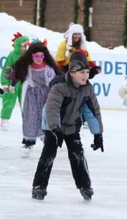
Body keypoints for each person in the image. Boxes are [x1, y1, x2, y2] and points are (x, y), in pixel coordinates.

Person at [31, 52, 104, 201]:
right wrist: (55, 129)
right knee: (49, 154)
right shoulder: (59, 87)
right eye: (82, 72)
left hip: (71, 126)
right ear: (72, 73)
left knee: (77, 154)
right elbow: (52, 109)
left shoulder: (87, 89)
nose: (86, 75)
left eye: (88, 72)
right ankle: (39, 186)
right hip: (52, 126)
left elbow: (92, 111)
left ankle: (85, 186)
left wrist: (98, 134)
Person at [7, 39, 62, 158]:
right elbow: (16, 75)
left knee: (46, 117)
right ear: (31, 56)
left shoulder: (49, 69)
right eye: (36, 56)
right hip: (31, 95)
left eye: (41, 56)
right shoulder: (27, 67)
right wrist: (12, 84)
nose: (39, 58)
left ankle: (47, 139)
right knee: (30, 117)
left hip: (46, 95)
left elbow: (55, 81)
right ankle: (28, 142)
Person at [0, 32, 29, 130]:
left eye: (25, 46)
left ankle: (27, 120)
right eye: (21, 46)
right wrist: (5, 82)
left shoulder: (28, 55)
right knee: (9, 100)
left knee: (25, 102)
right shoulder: (12, 54)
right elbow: (7, 68)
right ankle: (4, 119)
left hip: (24, 82)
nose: (23, 48)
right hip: (13, 82)